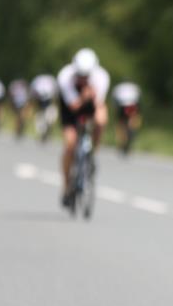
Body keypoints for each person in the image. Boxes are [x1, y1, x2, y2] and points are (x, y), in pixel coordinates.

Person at [56, 48, 109, 207]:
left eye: (86, 76)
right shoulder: (65, 77)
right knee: (70, 144)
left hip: (91, 103)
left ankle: (93, 152)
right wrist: (83, 97)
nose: (83, 79)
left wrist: (92, 98)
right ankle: (66, 186)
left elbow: (98, 105)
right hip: (71, 106)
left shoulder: (101, 77)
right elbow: (73, 106)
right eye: (80, 75)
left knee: (101, 120)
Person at [110, 80, 142, 155]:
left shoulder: (118, 87)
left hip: (121, 106)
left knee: (121, 123)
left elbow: (114, 100)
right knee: (132, 121)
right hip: (132, 105)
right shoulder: (134, 87)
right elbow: (139, 99)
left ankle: (122, 141)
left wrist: (115, 109)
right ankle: (131, 130)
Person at [30, 73, 58, 141]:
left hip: (49, 103)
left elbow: (55, 93)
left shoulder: (50, 80)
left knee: (50, 119)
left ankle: (47, 132)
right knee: (40, 118)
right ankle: (42, 133)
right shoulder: (38, 80)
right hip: (40, 103)